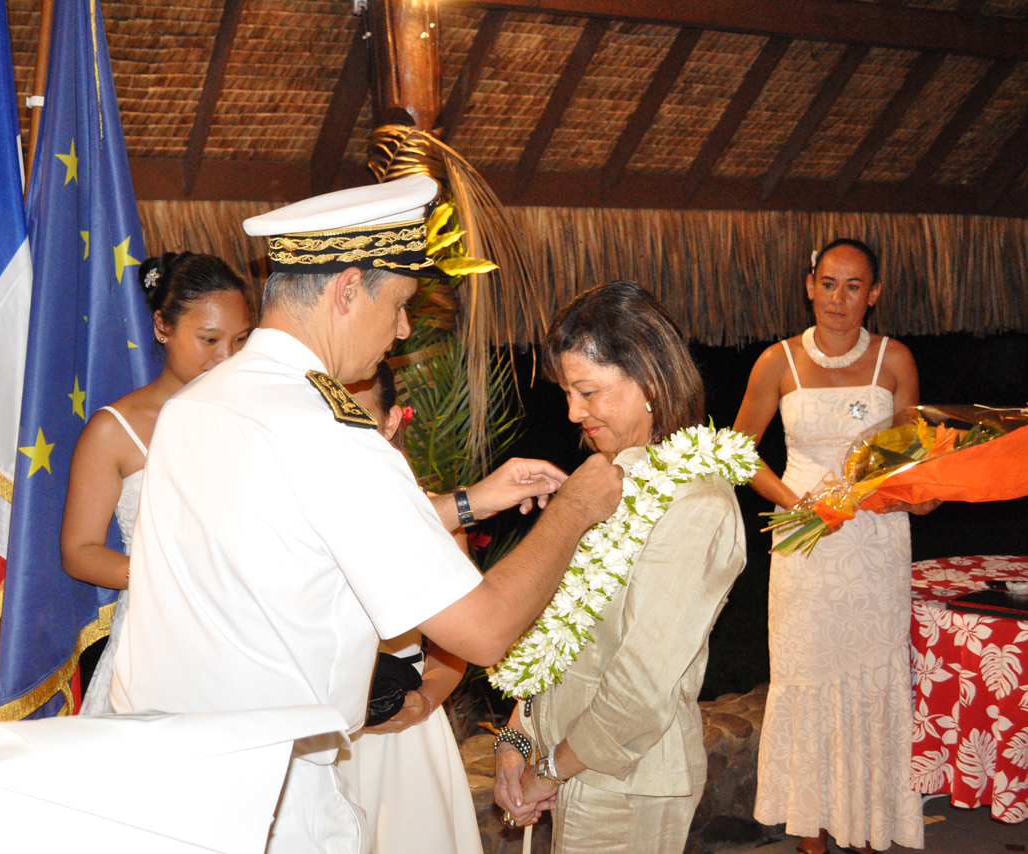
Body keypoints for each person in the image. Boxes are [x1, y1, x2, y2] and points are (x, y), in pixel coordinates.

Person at [110, 174, 624, 854]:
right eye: (401, 303)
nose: (404, 329)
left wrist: (470, 500)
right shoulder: (330, 433)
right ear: (348, 289)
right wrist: (577, 510)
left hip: (161, 783)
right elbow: (486, 630)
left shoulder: (197, 405)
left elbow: (291, 551)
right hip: (271, 801)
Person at [493, 281, 748, 854]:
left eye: (588, 391)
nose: (571, 411)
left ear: (651, 381)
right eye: (567, 392)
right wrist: (517, 736)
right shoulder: (606, 482)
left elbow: (641, 685)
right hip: (567, 761)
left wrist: (550, 771)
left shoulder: (696, 503)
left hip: (631, 785)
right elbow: (561, 633)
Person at [736, 238, 934, 853]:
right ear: (809, 284)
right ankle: (811, 837)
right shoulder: (778, 361)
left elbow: (909, 457)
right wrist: (790, 499)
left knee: (872, 681)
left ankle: (872, 827)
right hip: (804, 544)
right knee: (806, 676)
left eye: (854, 286)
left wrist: (917, 493)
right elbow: (736, 449)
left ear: (873, 295)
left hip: (875, 547)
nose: (838, 297)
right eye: (828, 283)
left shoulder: (894, 360)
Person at [59, 251, 252, 715]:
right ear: (163, 327)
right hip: (158, 641)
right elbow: (79, 551)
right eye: (209, 339)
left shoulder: (257, 413)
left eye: (242, 340)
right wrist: (169, 578)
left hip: (251, 636)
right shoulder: (113, 430)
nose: (226, 356)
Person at [336, 362, 499, 854]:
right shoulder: (293, 516)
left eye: (358, 416)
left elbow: (460, 644)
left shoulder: (439, 515)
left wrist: (424, 699)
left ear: (390, 422)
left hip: (401, 733)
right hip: (318, 735)